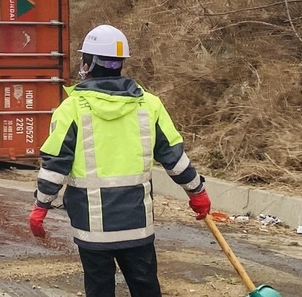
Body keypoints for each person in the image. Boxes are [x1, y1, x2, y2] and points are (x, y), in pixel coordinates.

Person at [29, 24, 211, 297]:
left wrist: (41, 206)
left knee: (99, 288)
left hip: (93, 227)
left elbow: (56, 165)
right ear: (119, 64)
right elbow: (175, 158)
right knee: (145, 287)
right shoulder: (150, 105)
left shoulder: (72, 109)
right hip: (137, 222)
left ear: (88, 64)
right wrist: (197, 192)